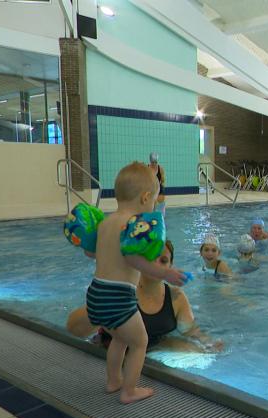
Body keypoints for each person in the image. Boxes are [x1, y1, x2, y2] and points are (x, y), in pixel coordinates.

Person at [85, 161, 186, 404]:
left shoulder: (106, 223)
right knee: (140, 342)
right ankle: (129, 390)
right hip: (118, 296)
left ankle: (113, 381)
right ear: (145, 198)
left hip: (95, 293)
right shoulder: (132, 225)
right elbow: (133, 259)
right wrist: (166, 274)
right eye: (154, 200)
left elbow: (91, 253)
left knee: (120, 338)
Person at [68, 240, 223, 353]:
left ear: (171, 266)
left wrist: (209, 343)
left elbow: (190, 330)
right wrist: (105, 307)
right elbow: (73, 329)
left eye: (163, 260)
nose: (156, 264)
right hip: (110, 351)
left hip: (155, 349)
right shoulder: (122, 291)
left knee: (195, 350)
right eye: (150, 257)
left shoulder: (176, 297)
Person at [149, 152, 167, 217]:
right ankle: (152, 215)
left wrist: (160, 186)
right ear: (150, 161)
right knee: (151, 204)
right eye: (153, 162)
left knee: (160, 203)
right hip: (150, 188)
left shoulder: (160, 169)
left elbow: (163, 180)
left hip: (159, 188)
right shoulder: (147, 168)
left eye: (155, 162)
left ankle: (161, 217)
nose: (154, 164)